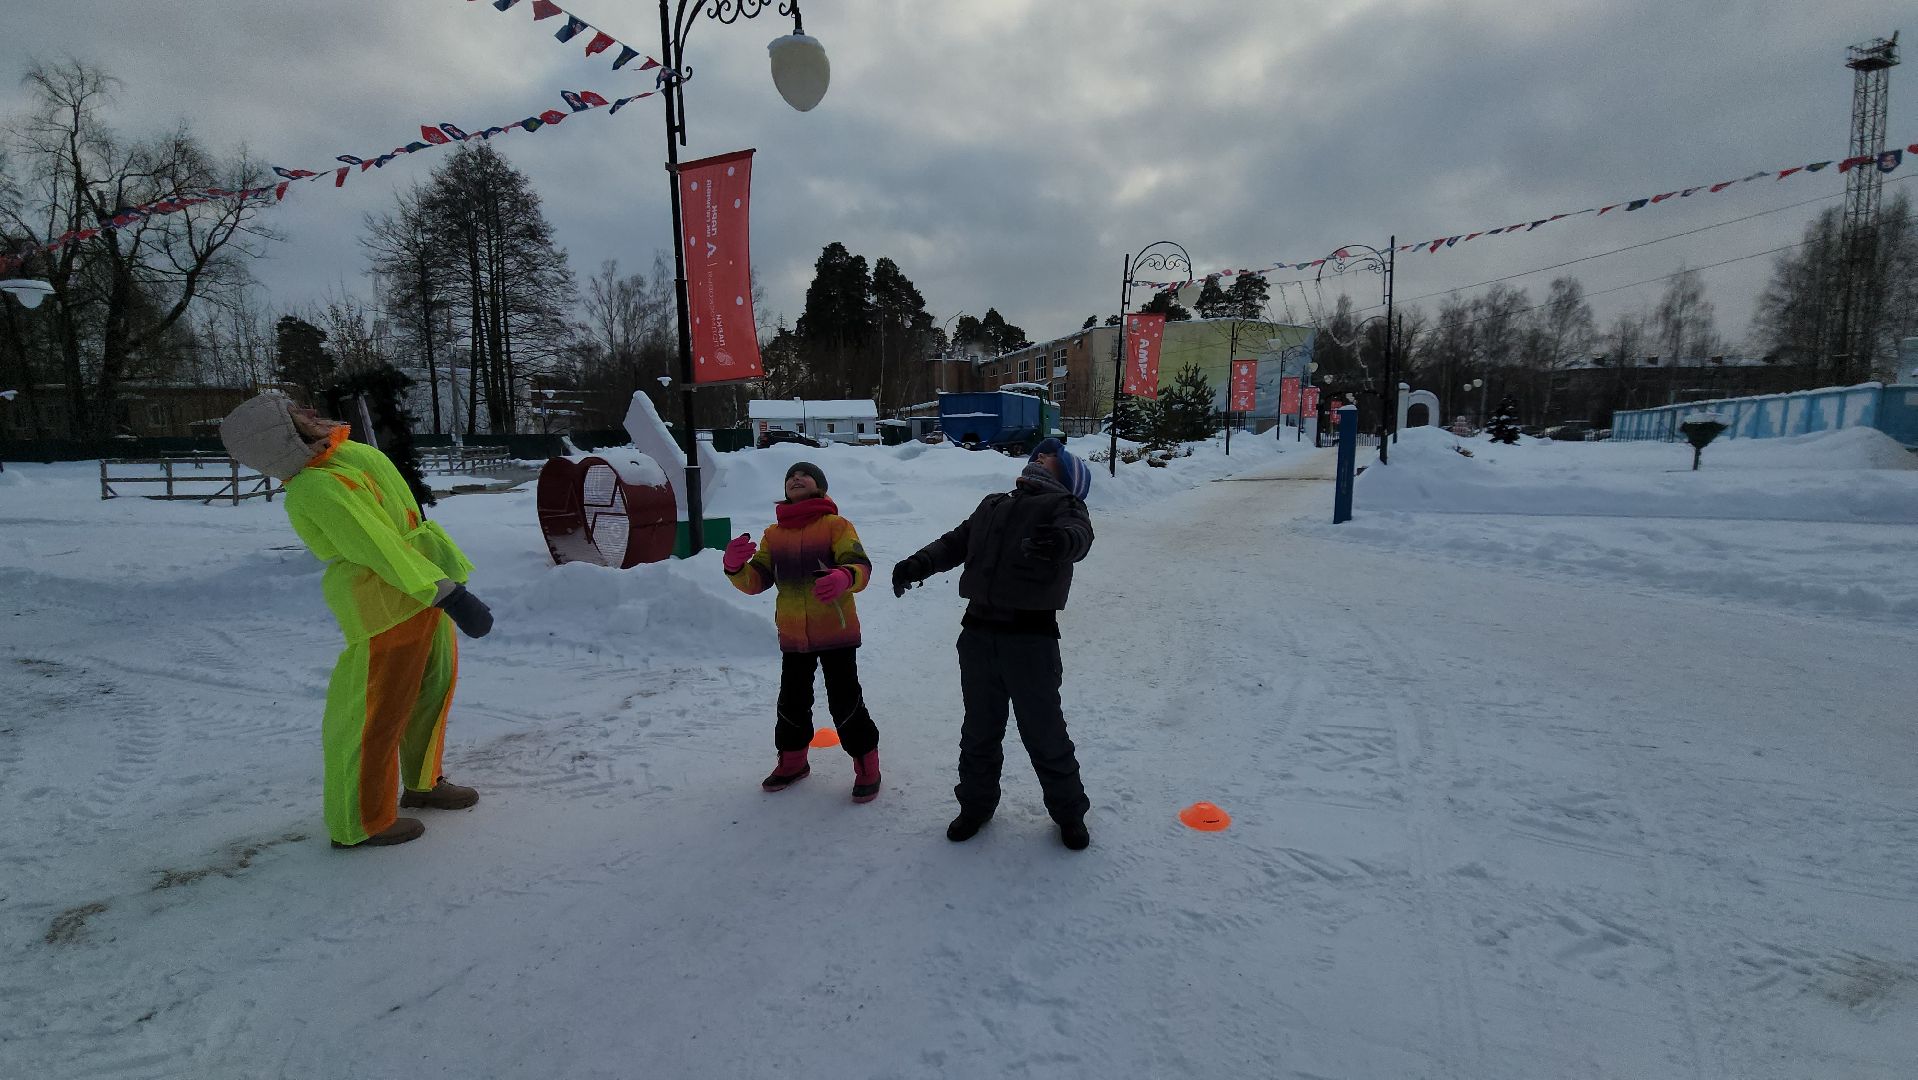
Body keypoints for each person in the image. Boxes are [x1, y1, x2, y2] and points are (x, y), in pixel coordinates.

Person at [219, 392, 493, 849]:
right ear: (279, 435)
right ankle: (360, 820)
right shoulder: (314, 488)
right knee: (375, 714)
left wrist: (440, 582)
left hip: (424, 587)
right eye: (294, 414)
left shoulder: (348, 454)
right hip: (384, 605)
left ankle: (424, 784)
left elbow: (403, 522)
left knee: (431, 692)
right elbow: (378, 547)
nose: (309, 412)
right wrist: (449, 593)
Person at [892, 437, 1095, 850]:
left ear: (1068, 475)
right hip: (978, 635)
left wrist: (1061, 542)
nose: (1042, 455)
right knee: (979, 730)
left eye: (1052, 456)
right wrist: (919, 564)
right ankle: (975, 805)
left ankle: (1069, 812)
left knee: (1044, 732)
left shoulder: (1065, 505)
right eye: (1040, 452)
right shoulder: (993, 504)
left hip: (1031, 639)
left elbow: (1080, 536)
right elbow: (955, 542)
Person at [723, 462, 881, 802]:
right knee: (792, 700)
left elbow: (861, 566)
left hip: (835, 631)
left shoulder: (836, 525)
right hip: (794, 635)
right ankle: (793, 761)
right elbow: (757, 580)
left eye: (804, 475)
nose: (796, 478)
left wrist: (845, 576)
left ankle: (867, 763)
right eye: (790, 476)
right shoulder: (774, 534)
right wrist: (735, 568)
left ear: (819, 486)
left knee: (845, 699)